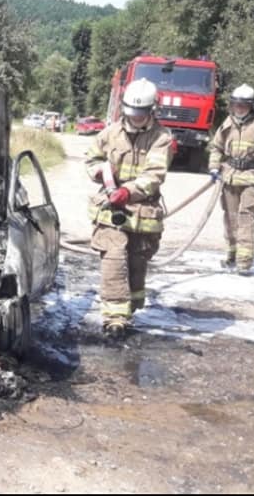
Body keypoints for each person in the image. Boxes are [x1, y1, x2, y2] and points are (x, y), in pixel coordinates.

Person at [85, 78, 173, 338]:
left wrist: (129, 191)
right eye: (132, 113)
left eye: (141, 113)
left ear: (152, 110)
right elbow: (91, 158)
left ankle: (130, 307)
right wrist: (99, 173)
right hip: (111, 206)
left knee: (136, 262)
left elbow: (155, 174)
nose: (136, 118)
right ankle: (114, 319)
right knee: (113, 257)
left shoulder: (162, 137)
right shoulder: (110, 133)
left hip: (142, 209)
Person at [207, 84, 254, 275]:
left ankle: (244, 261)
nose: (239, 108)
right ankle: (232, 253)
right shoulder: (227, 123)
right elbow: (216, 147)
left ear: (252, 105)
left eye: (244, 105)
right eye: (236, 104)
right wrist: (214, 167)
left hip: (252, 177)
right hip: (230, 176)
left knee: (245, 217)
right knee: (230, 218)